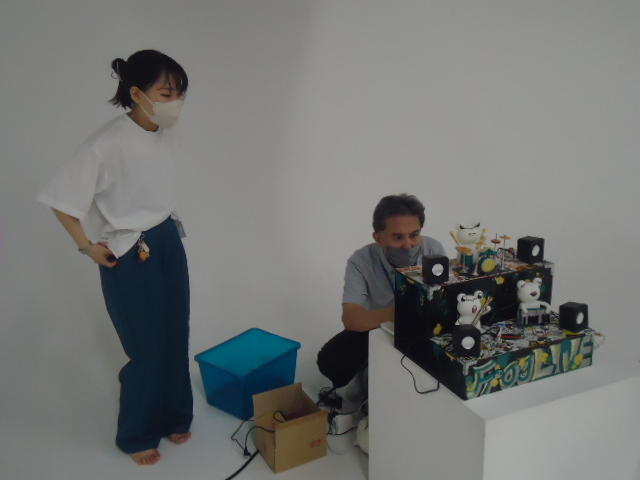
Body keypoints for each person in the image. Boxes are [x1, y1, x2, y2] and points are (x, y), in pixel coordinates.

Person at [37, 50, 192, 465]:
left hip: (167, 239)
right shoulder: (105, 144)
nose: (176, 101)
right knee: (145, 347)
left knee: (175, 333)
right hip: (129, 248)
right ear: (136, 93)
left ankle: (176, 416)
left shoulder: (165, 131)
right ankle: (137, 434)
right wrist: (87, 246)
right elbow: (62, 202)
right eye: (166, 93)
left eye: (180, 92)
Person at [317, 194, 446, 400]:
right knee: (331, 360)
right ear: (378, 238)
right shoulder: (361, 261)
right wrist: (407, 312)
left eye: (414, 235)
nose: (408, 245)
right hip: (380, 328)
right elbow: (352, 319)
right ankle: (362, 387)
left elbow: (445, 298)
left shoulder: (433, 250)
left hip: (425, 328)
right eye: (398, 237)